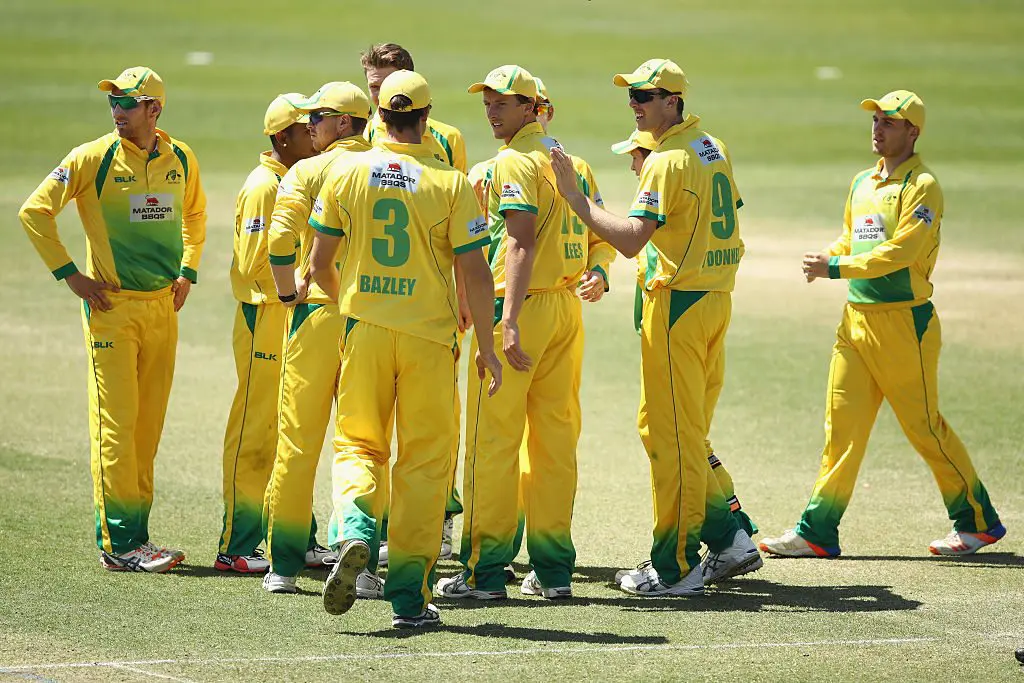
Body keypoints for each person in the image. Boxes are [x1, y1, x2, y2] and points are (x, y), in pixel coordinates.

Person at [759, 90, 1005, 558]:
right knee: (841, 431)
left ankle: (978, 521)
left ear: (913, 131)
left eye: (889, 122)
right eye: (875, 120)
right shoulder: (863, 182)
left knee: (924, 428)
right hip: (855, 322)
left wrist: (836, 268)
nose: (877, 129)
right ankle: (817, 531)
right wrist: (830, 255)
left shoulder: (923, 186)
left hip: (903, 324)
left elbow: (902, 253)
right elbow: (853, 238)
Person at [549, 58, 761, 597]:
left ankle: (675, 566)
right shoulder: (711, 147)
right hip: (712, 300)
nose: (635, 103)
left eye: (645, 94)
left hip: (679, 307)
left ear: (673, 100)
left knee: (674, 439)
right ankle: (729, 535)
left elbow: (629, 240)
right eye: (632, 94)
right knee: (668, 429)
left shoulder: (667, 161)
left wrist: (574, 197)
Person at [308, 70, 500, 628]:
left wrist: (354, 302)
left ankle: (354, 529)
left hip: (365, 331)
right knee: (423, 465)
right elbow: (476, 273)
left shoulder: (345, 171)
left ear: (379, 117)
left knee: (358, 445)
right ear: (425, 117)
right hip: (429, 339)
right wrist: (487, 345)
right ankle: (410, 600)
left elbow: (319, 264)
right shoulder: (450, 182)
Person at [19, 66, 206, 572]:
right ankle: (120, 544)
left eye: (128, 103)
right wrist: (71, 276)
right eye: (113, 102)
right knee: (116, 429)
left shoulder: (181, 157)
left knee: (146, 431)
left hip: (163, 308)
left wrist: (188, 270)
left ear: (154, 109)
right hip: (111, 310)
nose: (117, 111)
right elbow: (34, 211)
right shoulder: (91, 158)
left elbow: (194, 215)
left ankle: (138, 539)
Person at [438, 64, 598, 602]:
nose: (491, 111)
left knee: (493, 443)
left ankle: (484, 573)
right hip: (564, 312)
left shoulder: (512, 161)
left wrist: (505, 321)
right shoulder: (569, 161)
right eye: (487, 102)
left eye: (502, 103)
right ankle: (554, 572)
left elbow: (519, 242)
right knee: (554, 445)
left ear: (531, 108)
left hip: (520, 310)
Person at [261, 81, 375, 594]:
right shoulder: (385, 167)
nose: (309, 126)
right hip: (369, 318)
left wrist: (288, 293)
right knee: (365, 444)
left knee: (297, 443)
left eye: (318, 117)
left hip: (315, 316)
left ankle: (283, 567)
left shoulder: (306, 171)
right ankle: (364, 563)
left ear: (344, 122)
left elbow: (279, 239)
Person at [359, 42, 469, 565]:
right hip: (377, 305)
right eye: (372, 85)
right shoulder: (360, 136)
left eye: (386, 83)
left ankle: (438, 520)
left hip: (431, 306)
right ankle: (377, 530)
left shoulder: (447, 139)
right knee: (374, 427)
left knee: (435, 424)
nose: (379, 93)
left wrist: (464, 298)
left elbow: (465, 223)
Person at [216, 93, 317, 574]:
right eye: (304, 128)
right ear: (283, 137)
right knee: (256, 429)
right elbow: (253, 264)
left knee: (291, 427)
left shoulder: (298, 178)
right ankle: (237, 546)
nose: (314, 133)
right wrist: (299, 282)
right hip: (265, 316)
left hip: (289, 313)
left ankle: (298, 538)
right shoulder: (264, 186)